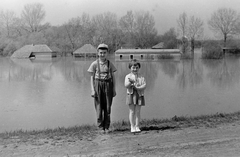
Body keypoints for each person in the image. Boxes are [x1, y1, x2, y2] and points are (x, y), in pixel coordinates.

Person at [87, 43, 117, 133]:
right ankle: (100, 127)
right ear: (97, 53)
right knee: (99, 107)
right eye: (101, 52)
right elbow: (91, 77)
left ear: (107, 53)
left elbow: (113, 77)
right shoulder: (94, 64)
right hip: (98, 85)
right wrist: (92, 89)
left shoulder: (110, 64)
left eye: (104, 52)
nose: (102, 54)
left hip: (108, 85)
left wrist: (114, 89)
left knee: (108, 107)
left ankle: (107, 126)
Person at [124, 59, 146, 133]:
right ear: (130, 68)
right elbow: (126, 85)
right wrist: (131, 83)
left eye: (136, 67)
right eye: (133, 67)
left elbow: (144, 85)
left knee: (138, 111)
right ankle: (132, 126)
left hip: (139, 95)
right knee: (132, 111)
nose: (135, 69)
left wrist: (138, 88)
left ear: (139, 68)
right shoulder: (128, 76)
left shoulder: (141, 76)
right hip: (131, 94)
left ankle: (137, 126)